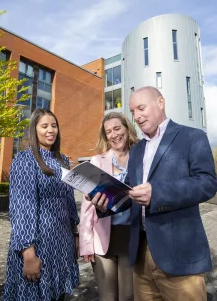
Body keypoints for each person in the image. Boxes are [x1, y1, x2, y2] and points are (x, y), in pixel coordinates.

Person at [90, 87, 217, 301]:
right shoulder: (138, 149)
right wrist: (104, 202)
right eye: (133, 111)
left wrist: (157, 193)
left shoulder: (192, 137)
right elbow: (129, 193)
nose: (137, 116)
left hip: (179, 256)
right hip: (140, 256)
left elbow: (207, 183)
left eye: (141, 108)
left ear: (161, 103)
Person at [4, 108, 80, 301]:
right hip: (39, 246)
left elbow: (69, 201)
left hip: (62, 245)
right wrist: (28, 254)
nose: (50, 130)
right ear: (34, 130)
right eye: (44, 126)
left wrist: (76, 235)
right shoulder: (25, 160)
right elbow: (21, 208)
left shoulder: (62, 161)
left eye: (54, 126)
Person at [79, 112, 139, 301]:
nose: (114, 135)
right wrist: (86, 245)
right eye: (108, 132)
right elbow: (87, 211)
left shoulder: (140, 158)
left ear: (127, 129)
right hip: (102, 238)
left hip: (131, 237)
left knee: (128, 296)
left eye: (117, 128)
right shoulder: (97, 162)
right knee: (107, 296)